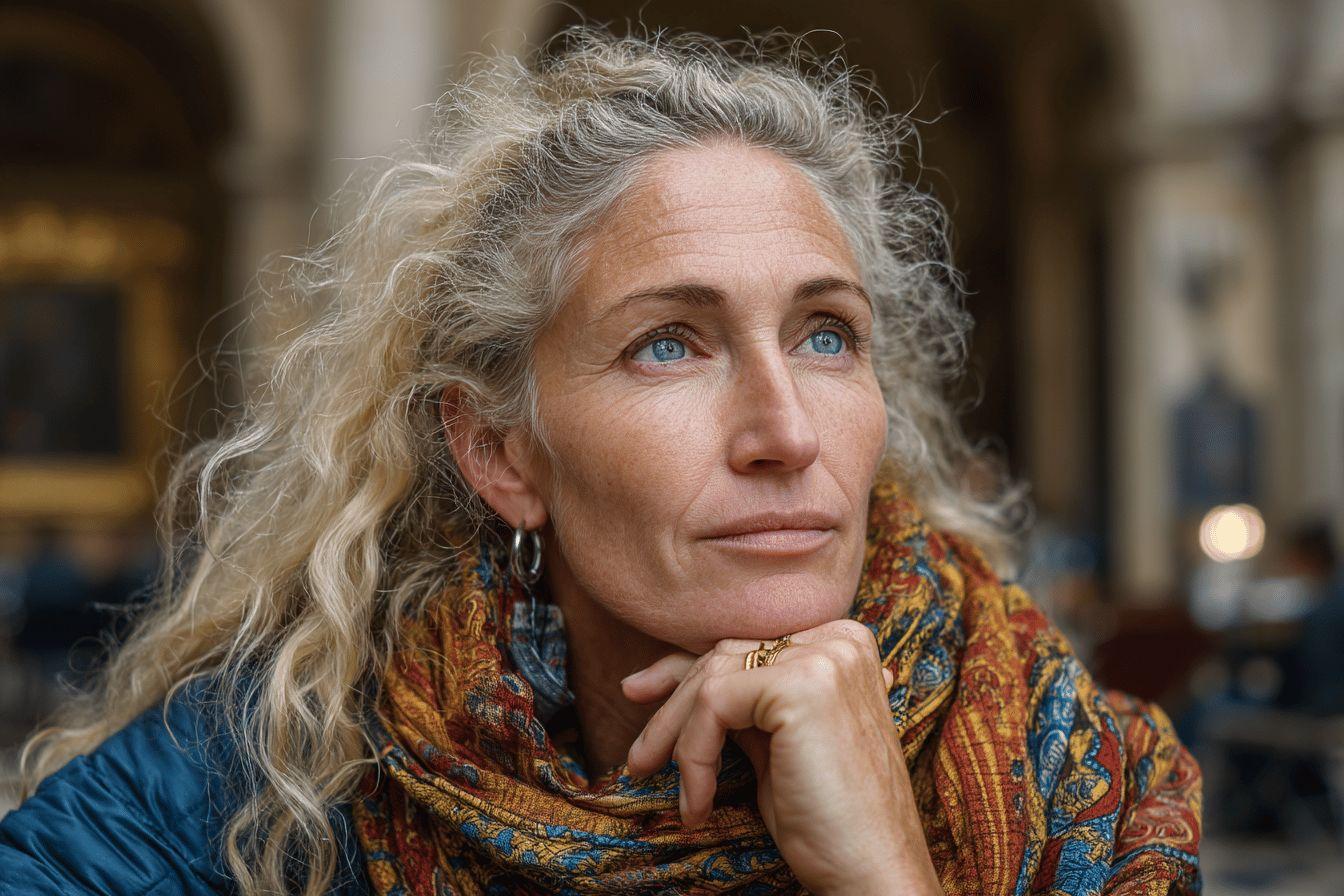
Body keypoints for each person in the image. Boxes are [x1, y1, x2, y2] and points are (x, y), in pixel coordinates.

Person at [0, 24, 1202, 896]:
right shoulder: (284, 768)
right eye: (669, 344)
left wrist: (886, 874)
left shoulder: (1079, 774)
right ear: (501, 450)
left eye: (826, 333)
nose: (785, 431)